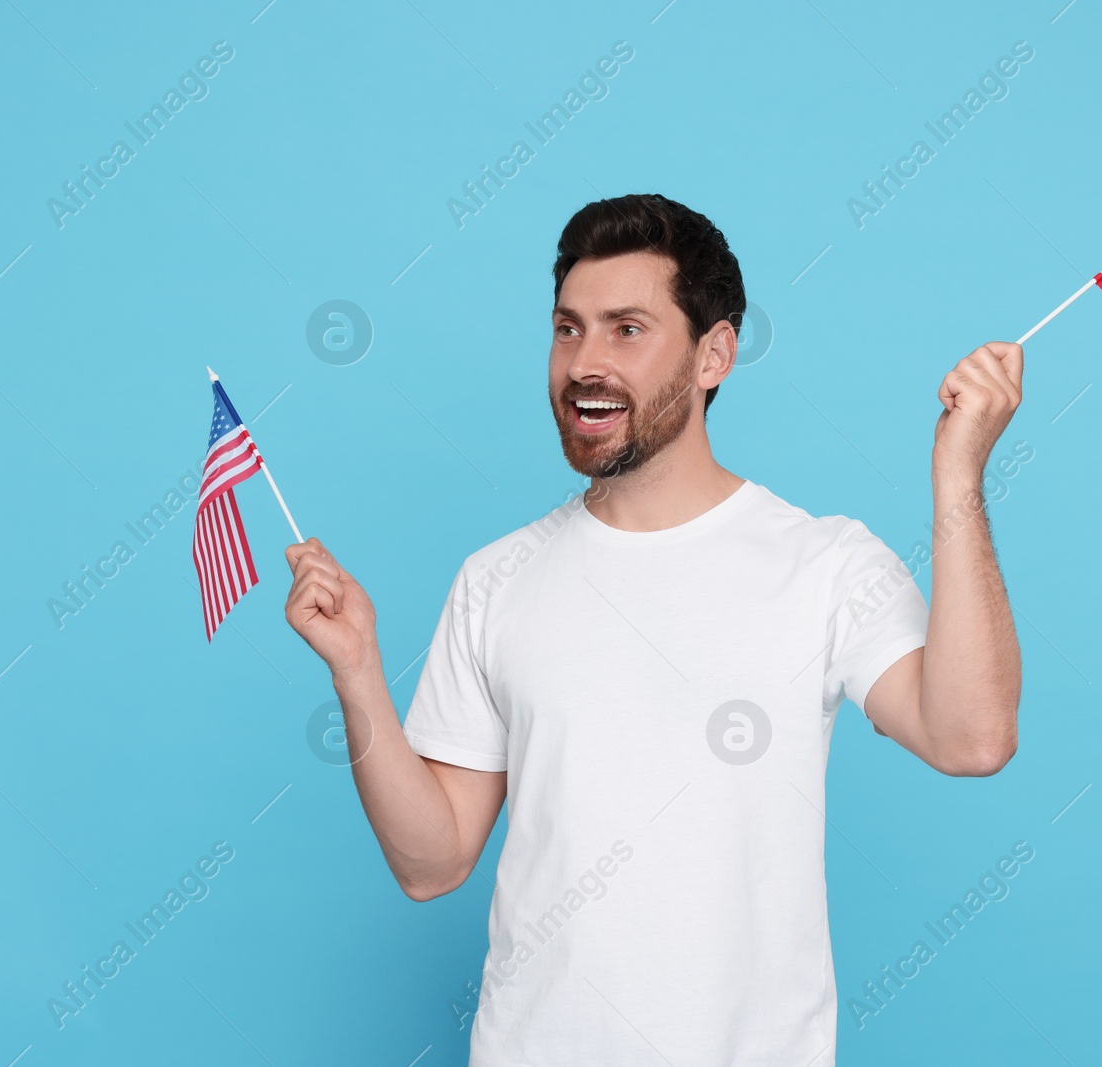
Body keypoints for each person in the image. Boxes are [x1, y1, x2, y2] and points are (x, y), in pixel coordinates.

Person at [283, 193, 1022, 1065]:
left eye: (626, 329)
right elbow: (431, 863)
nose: (584, 363)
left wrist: (958, 475)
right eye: (568, 329)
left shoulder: (823, 564)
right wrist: (359, 669)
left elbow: (971, 737)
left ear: (715, 354)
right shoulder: (496, 579)